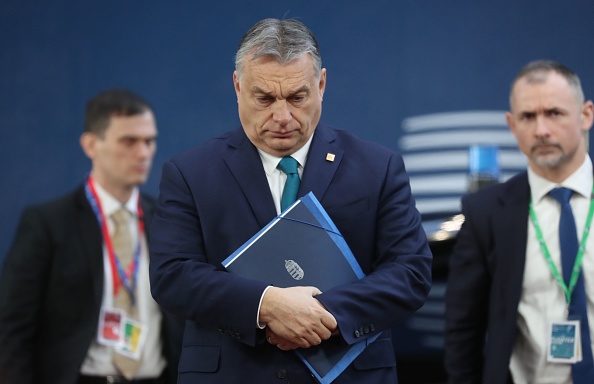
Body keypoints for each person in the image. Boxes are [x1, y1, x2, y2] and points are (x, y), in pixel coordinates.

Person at [148, 18, 432, 384]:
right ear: (237, 87)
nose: (282, 117)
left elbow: (410, 272)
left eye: (297, 97)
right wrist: (267, 305)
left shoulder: (378, 168)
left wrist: (320, 314)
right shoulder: (191, 173)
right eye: (264, 98)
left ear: (322, 84)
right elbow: (172, 276)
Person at [0, 89, 183, 384]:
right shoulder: (48, 224)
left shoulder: (169, 220)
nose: (143, 152)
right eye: (129, 141)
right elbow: (11, 330)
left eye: (149, 141)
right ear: (90, 144)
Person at [445, 60, 594, 384]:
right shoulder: (486, 213)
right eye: (528, 117)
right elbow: (463, 329)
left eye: (554, 113)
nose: (541, 129)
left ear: (586, 115)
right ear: (512, 125)